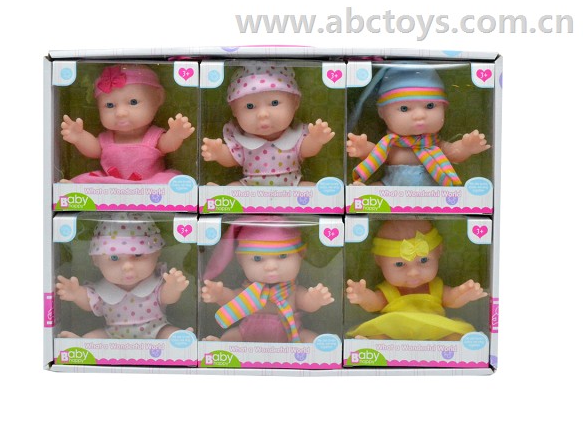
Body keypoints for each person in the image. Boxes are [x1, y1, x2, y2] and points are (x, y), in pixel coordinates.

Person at [347, 65, 490, 186]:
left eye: (430, 106)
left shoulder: (435, 145)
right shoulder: (390, 145)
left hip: (430, 194)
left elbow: (453, 153)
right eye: (404, 108)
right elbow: (376, 155)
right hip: (390, 187)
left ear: (444, 108)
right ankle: (363, 193)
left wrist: (466, 147)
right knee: (376, 189)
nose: (419, 115)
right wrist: (363, 149)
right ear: (382, 112)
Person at [346, 219, 487, 340]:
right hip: (395, 330)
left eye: (423, 260)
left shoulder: (435, 287)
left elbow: (451, 300)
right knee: (379, 335)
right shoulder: (389, 290)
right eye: (399, 264)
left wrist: (463, 294)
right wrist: (362, 296)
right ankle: (370, 347)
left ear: (439, 252)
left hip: (434, 329)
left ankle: (463, 349)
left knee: (455, 335)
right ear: (378, 260)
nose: (413, 272)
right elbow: (374, 303)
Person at [56, 213, 190, 339]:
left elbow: (167, 297)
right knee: (95, 337)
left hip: (157, 329)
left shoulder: (155, 283)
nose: (127, 266)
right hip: (112, 333)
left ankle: (182, 340)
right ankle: (80, 344)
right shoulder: (103, 291)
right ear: (96, 260)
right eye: (114, 258)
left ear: (157, 252)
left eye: (138, 255)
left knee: (169, 333)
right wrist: (76, 293)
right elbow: (89, 302)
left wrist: (174, 287)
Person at [201, 216, 334, 343]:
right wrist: (219, 295)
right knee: (231, 336)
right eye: (257, 258)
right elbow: (231, 300)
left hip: (291, 336)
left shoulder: (292, 291)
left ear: (300, 256)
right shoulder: (249, 292)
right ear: (240, 261)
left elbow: (306, 303)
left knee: (310, 338)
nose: (271, 266)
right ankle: (220, 346)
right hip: (247, 334)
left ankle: (318, 351)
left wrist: (315, 299)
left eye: (282, 256)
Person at [201, 63, 334, 186]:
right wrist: (219, 152)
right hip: (250, 189)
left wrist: (315, 139)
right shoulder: (242, 141)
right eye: (250, 106)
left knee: (311, 188)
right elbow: (232, 159)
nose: (262, 114)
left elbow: (306, 150)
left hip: (292, 187)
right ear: (234, 110)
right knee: (234, 187)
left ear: (295, 103)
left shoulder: (295, 136)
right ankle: (219, 194)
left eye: (274, 103)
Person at [61, 64, 195, 183]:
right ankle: (71, 190)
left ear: (158, 98)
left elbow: (166, 145)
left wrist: (176, 134)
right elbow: (94, 150)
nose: (120, 113)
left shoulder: (152, 136)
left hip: (150, 184)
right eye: (110, 105)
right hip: (111, 183)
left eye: (133, 102)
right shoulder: (107, 139)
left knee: (171, 180)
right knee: (86, 179)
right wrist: (79, 137)